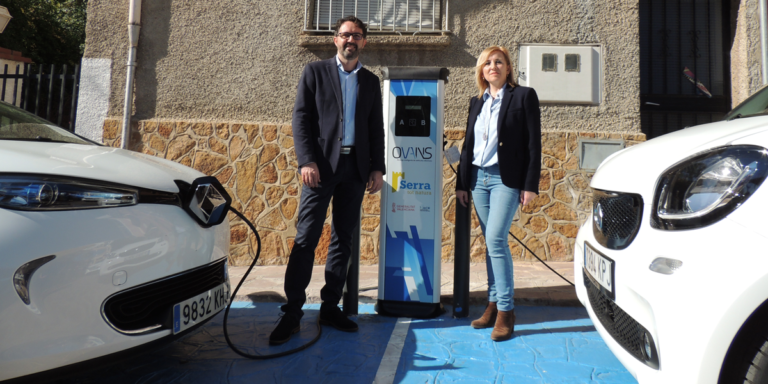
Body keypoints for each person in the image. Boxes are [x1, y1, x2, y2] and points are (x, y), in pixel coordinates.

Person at [269, 16, 385, 345]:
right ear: (335, 39)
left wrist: (378, 167)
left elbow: (375, 127)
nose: (351, 40)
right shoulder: (315, 72)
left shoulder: (370, 82)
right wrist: (306, 160)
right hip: (320, 169)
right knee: (306, 237)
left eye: (357, 36)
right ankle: (292, 310)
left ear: (364, 42)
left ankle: (330, 306)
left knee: (342, 239)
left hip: (356, 169)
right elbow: (301, 118)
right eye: (346, 34)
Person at [455, 45, 541, 342]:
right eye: (487, 63)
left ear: (508, 68)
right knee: (490, 242)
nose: (493, 66)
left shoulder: (523, 96)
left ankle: (506, 311)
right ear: (482, 70)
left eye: (499, 62)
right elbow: (468, 146)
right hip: (478, 179)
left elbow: (533, 144)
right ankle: (492, 303)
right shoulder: (476, 102)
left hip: (506, 180)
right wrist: (461, 183)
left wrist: (530, 185)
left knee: (495, 239)